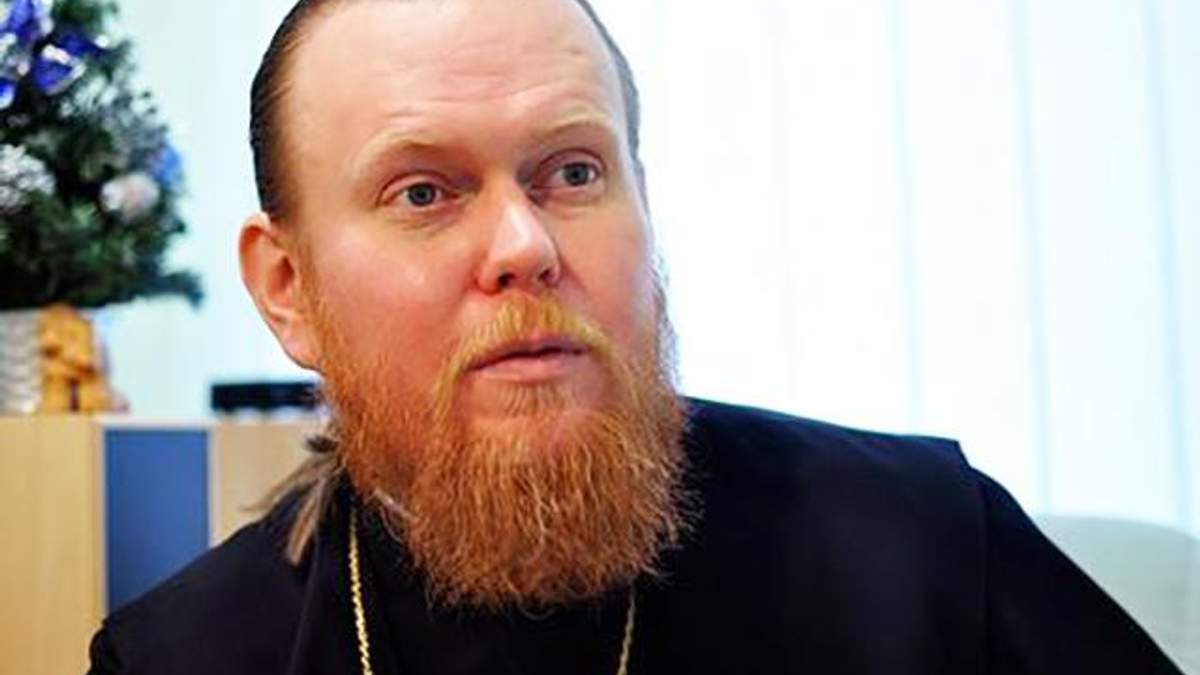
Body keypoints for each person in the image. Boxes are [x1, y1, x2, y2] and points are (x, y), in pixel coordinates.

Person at [87, 0, 1184, 673]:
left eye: (573, 172)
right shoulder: (181, 657)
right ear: (287, 290)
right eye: (423, 191)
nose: (524, 244)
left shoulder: (925, 547)